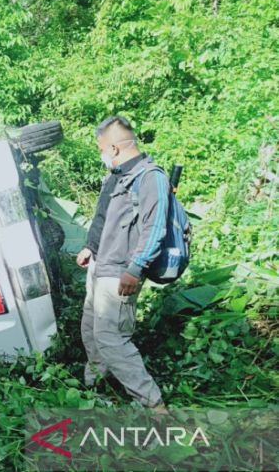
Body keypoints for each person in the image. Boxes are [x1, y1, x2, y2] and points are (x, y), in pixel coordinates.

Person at [76, 116, 168, 412]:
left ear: (114, 148)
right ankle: (96, 387)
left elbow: (156, 227)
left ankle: (153, 405)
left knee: (111, 338)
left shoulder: (150, 177)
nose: (101, 154)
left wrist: (136, 268)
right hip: (100, 265)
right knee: (91, 329)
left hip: (120, 271)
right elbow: (105, 217)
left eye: (101, 148)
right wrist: (90, 247)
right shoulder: (116, 174)